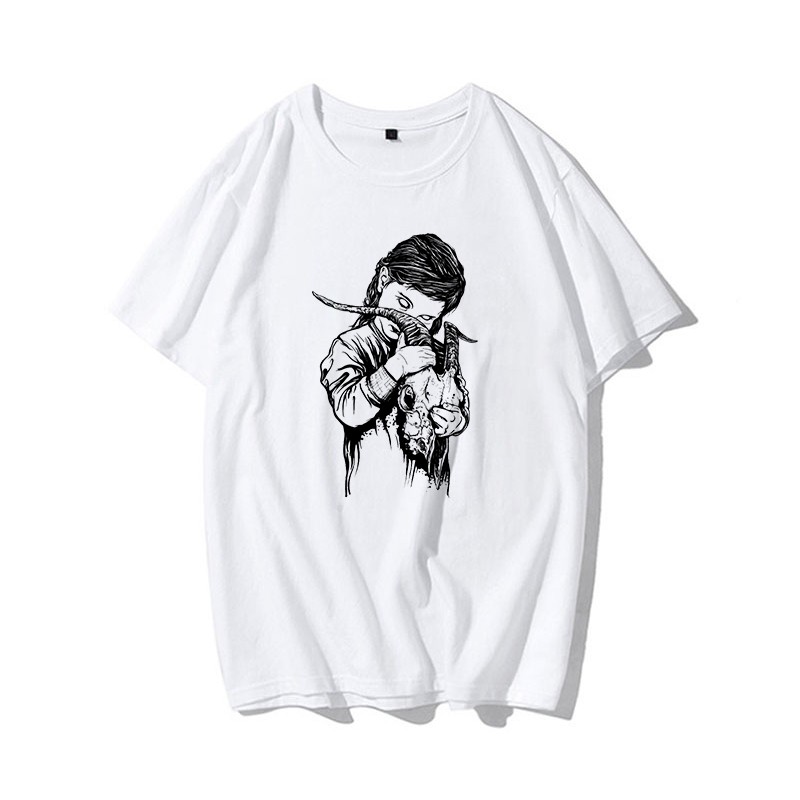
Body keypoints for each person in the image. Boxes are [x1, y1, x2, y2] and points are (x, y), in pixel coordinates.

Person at [318, 233, 471, 496]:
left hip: (432, 488)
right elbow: (349, 410)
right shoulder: (352, 346)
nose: (408, 319)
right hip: (370, 489)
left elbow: (459, 399)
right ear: (383, 279)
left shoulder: (436, 352)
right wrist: (398, 365)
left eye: (425, 317)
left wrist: (456, 421)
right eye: (403, 303)